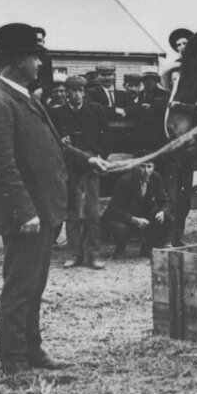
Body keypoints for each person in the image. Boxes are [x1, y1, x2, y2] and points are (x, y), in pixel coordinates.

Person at [0, 22, 107, 374]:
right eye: (35, 57)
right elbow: (2, 168)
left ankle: (32, 350)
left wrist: (86, 159)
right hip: (28, 216)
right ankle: (15, 361)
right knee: (20, 289)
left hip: (44, 211)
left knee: (34, 287)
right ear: (18, 61)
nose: (40, 64)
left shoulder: (24, 99)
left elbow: (52, 146)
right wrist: (25, 211)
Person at [51, 75, 111, 269]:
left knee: (92, 211)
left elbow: (107, 135)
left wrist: (100, 156)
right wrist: (61, 141)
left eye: (79, 90)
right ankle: (75, 254)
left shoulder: (95, 110)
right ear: (66, 92)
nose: (76, 94)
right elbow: (52, 138)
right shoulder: (57, 113)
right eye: (72, 90)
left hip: (91, 167)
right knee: (73, 213)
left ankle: (93, 255)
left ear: (84, 92)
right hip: (68, 167)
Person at [102, 152, 174, 258]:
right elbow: (112, 210)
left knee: (168, 218)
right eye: (142, 166)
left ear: (153, 167)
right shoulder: (124, 181)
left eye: (149, 167)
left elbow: (165, 201)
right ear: (135, 166)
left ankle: (148, 248)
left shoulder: (156, 177)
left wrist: (163, 212)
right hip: (127, 217)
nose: (146, 171)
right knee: (120, 228)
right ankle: (120, 248)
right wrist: (133, 219)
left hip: (145, 215)